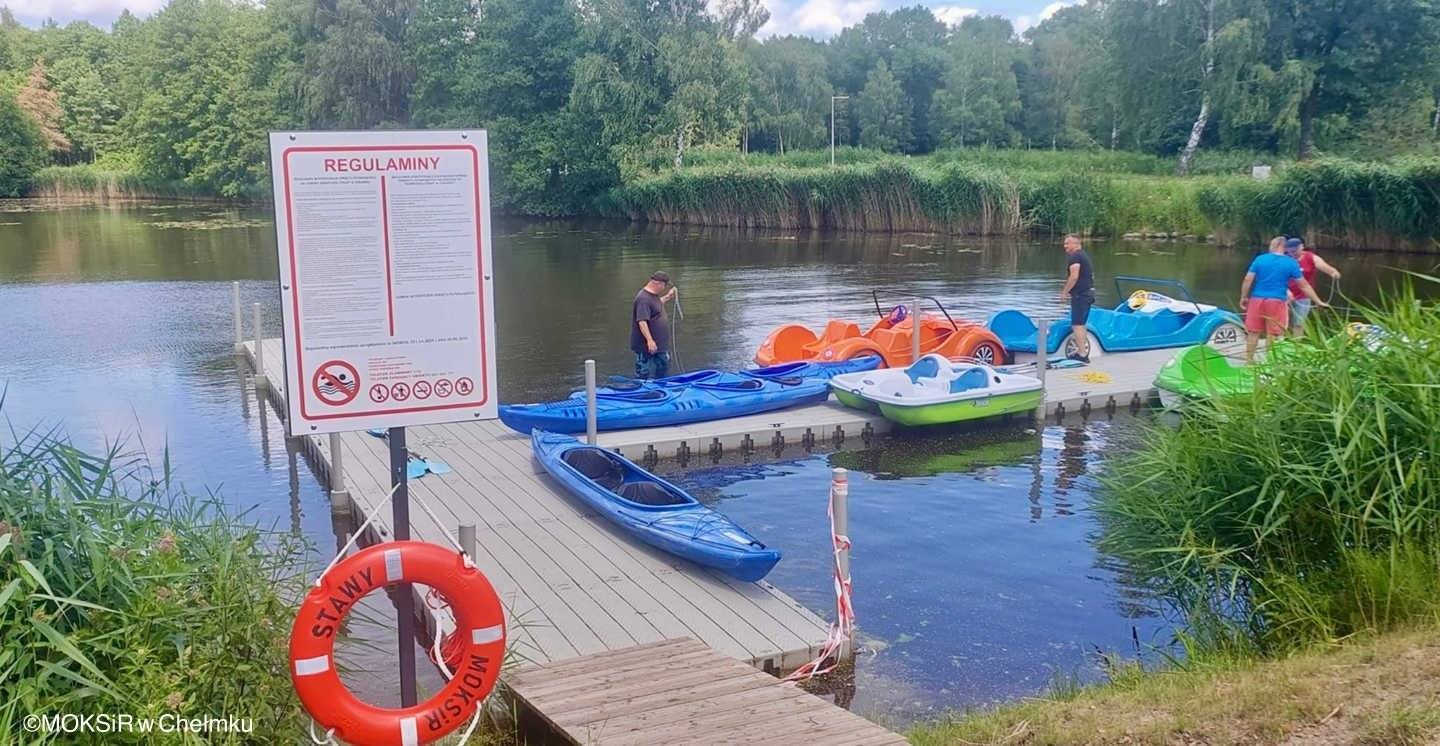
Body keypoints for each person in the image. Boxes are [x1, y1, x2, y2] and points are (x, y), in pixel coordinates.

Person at [1241, 236, 1326, 362]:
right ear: (1284, 247)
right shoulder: (1291, 263)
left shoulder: (1260, 259)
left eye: (1271, 245)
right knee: (1273, 333)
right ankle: (1269, 361)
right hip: (1277, 301)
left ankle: (1249, 360)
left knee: (1253, 332)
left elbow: (1248, 279)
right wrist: (1318, 301)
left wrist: (1243, 297)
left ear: (1276, 245)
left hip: (1257, 299)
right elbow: (1304, 285)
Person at [1283, 236, 1341, 336]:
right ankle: (1281, 343)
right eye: (1289, 251)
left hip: (1304, 296)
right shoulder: (1284, 259)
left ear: (1301, 247)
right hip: (1285, 294)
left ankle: (1297, 345)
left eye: (1294, 251)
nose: (1292, 254)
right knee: (1282, 322)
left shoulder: (1310, 257)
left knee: (1299, 323)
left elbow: (1323, 265)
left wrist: (1333, 272)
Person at [631, 271, 676, 379]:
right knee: (643, 372)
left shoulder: (653, 296)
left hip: (660, 345)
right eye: (664, 286)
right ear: (658, 283)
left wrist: (668, 297)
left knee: (663, 369)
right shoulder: (643, 298)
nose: (664, 288)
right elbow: (642, 321)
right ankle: (641, 391)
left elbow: (655, 306)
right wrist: (650, 341)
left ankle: (661, 389)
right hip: (646, 346)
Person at [1058, 234, 1095, 363]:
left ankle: (1082, 355)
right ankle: (1083, 351)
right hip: (1088, 293)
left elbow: (1074, 276)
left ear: (1076, 244)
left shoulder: (1075, 256)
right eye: (1064, 243)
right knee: (1082, 324)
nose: (1065, 246)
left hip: (1081, 295)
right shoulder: (1084, 255)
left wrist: (1064, 292)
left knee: (1077, 325)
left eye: (1068, 243)